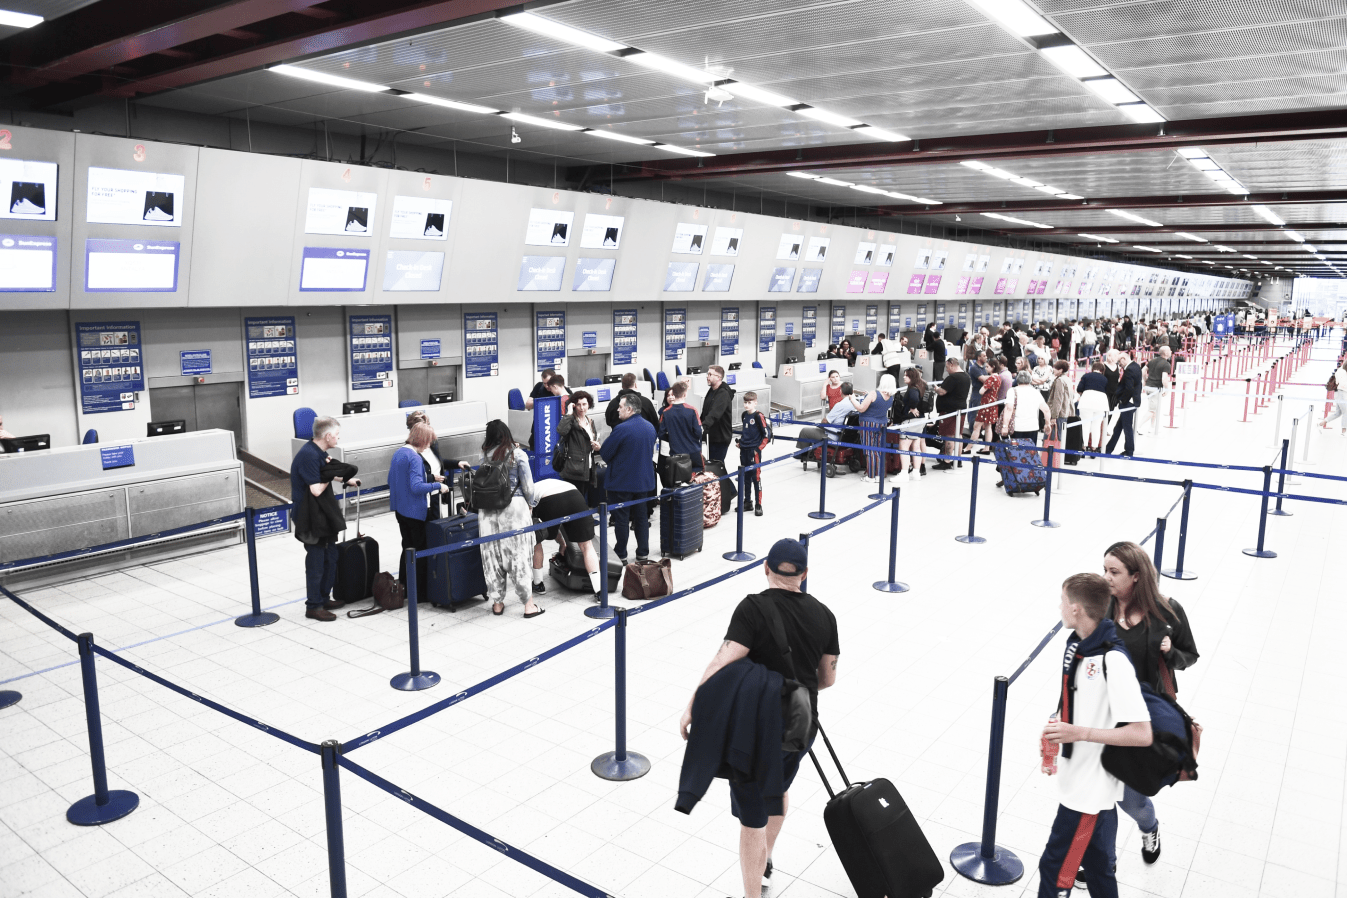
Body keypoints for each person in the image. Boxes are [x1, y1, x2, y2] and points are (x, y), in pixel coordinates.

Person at [678, 539, 839, 898]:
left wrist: (694, 705)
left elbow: (723, 661)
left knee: (751, 814)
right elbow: (827, 679)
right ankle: (766, 861)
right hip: (801, 725)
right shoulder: (825, 615)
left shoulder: (752, 608)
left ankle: (753, 894)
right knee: (778, 788)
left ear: (765, 568)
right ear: (804, 574)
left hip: (754, 730)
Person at [1039, 573, 1152, 898]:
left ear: (1075, 609)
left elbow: (1142, 734)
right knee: (1101, 870)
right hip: (1081, 784)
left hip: (1088, 793)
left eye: (1062, 601)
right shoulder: (1075, 644)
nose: (1059, 606)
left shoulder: (1113, 661)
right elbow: (1072, 699)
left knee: (1056, 870)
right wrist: (1055, 727)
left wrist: (1079, 733)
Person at [1099, 541, 1200, 871]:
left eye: (1114, 572)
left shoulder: (1167, 611)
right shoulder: (1102, 606)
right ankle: (1102, 862)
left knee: (1133, 799)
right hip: (1104, 712)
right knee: (1098, 799)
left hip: (1143, 719)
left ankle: (1149, 828)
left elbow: (1189, 656)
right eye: (1105, 570)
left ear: (1137, 576)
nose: (1107, 577)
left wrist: (1171, 652)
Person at [290, 416, 361, 622]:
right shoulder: (308, 456)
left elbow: (326, 472)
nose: (338, 439)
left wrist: (346, 479)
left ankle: (323, 597)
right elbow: (316, 489)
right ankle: (313, 606)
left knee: (331, 557)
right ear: (328, 435)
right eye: (337, 435)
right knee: (316, 563)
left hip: (323, 515)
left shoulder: (319, 452)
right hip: (311, 517)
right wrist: (331, 477)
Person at [389, 422, 468, 601]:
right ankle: (420, 592)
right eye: (429, 441)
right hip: (416, 511)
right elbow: (416, 487)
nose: (429, 445)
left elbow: (392, 480)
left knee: (407, 548)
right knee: (421, 550)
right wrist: (437, 485)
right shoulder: (415, 458)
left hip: (401, 510)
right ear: (423, 440)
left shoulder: (399, 452)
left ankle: (405, 587)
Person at [478, 421, 542, 618]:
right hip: (514, 509)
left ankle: (497, 603)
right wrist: (531, 503)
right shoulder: (518, 454)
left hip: (487, 512)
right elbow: (529, 487)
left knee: (492, 555)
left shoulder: (484, 456)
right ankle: (528, 605)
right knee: (518, 555)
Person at [599, 394, 658, 562]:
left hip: (622, 483)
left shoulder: (621, 429)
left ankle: (621, 554)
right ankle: (643, 553)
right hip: (643, 482)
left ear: (629, 409)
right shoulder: (650, 427)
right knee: (641, 518)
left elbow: (605, 453)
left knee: (622, 519)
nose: (617, 410)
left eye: (620, 407)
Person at [530, 477, 603, 597]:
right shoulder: (550, 482)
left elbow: (547, 527)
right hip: (575, 496)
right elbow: (557, 524)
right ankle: (599, 591)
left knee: (536, 541)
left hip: (547, 499)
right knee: (586, 545)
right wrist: (562, 543)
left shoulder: (528, 492)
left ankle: (538, 584)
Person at [556, 390, 601, 503]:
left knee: (582, 499)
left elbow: (591, 441)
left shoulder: (590, 421)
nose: (582, 408)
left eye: (584, 404)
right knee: (573, 502)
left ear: (589, 405)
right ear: (574, 405)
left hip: (587, 467)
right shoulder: (571, 420)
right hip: (573, 469)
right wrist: (569, 412)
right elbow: (561, 430)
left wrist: (596, 447)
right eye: (578, 404)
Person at [851, 374, 896, 482]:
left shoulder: (873, 393)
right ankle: (878, 475)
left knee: (869, 450)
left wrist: (852, 399)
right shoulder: (891, 397)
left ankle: (870, 476)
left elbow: (861, 408)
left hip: (868, 424)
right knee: (878, 450)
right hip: (882, 424)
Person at [932, 358, 970, 470]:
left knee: (949, 436)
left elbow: (942, 392)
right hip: (961, 410)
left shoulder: (953, 377)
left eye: (947, 367)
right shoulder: (966, 376)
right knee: (958, 434)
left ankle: (947, 461)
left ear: (952, 365)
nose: (947, 370)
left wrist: (936, 389)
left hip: (950, 412)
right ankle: (958, 460)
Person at [737, 392, 771, 515]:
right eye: (745, 402)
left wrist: (758, 449)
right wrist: (740, 443)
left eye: (749, 402)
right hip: (744, 451)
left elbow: (766, 435)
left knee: (755, 478)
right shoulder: (744, 415)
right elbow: (746, 433)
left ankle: (758, 504)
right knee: (745, 477)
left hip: (754, 452)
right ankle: (747, 502)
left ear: (755, 402)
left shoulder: (758, 416)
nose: (747, 405)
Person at [660, 380, 704, 470]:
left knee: (677, 480)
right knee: (697, 479)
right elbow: (698, 432)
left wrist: (673, 439)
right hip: (693, 452)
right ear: (685, 394)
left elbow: (661, 434)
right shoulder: (692, 410)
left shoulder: (665, 412)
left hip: (675, 454)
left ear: (673, 394)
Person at [1105, 353, 1143, 457]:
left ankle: (1129, 451)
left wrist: (1122, 401)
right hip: (1133, 402)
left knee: (1127, 428)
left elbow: (1129, 388)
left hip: (1128, 404)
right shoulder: (1136, 366)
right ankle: (1108, 449)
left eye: (1119, 362)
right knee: (1118, 428)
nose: (1119, 364)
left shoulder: (1130, 369)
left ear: (1124, 358)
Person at [896, 367, 928, 480]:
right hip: (920, 421)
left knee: (903, 447)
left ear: (912, 377)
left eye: (906, 375)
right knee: (916, 447)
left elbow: (914, 399)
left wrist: (913, 407)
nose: (904, 377)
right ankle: (916, 473)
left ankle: (904, 473)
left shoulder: (913, 389)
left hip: (910, 421)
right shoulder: (922, 385)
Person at [1001, 371, 1050, 443]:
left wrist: (1005, 426)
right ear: (1030, 380)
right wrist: (1047, 424)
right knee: (1029, 452)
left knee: (1016, 452)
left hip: (1017, 427)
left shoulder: (1012, 391)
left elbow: (1009, 409)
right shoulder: (1035, 392)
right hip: (1032, 427)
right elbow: (1046, 410)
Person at [701, 366, 735, 463]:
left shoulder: (723, 393)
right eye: (708, 374)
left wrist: (703, 426)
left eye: (710, 374)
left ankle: (723, 478)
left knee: (717, 466)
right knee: (713, 465)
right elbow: (706, 411)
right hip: (712, 436)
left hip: (721, 438)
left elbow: (714, 413)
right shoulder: (712, 390)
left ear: (719, 377)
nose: (708, 377)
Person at [1077, 362, 1112, 452]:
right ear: (1102, 370)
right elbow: (1108, 391)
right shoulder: (1105, 379)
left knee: (1085, 425)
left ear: (1093, 368)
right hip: (1101, 402)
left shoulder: (1086, 376)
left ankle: (1084, 446)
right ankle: (1094, 447)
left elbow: (1079, 388)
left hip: (1086, 401)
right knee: (1096, 426)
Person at [970, 355, 1001, 451]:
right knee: (988, 427)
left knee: (976, 426)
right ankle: (987, 448)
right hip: (993, 404)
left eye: (987, 366)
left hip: (985, 404)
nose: (985, 368)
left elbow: (981, 391)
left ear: (993, 367)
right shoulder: (998, 377)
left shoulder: (991, 379)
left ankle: (968, 447)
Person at [1139, 345, 1172, 434]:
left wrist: (1145, 380)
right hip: (1155, 388)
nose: (1171, 351)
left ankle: (1152, 427)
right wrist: (1167, 388)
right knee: (1152, 410)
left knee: (1154, 408)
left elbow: (1143, 370)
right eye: (1169, 350)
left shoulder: (1152, 361)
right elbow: (1164, 378)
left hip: (1148, 386)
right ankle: (1138, 426)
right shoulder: (1166, 364)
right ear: (1166, 353)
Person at [1046, 359, 1077, 445]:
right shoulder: (1067, 379)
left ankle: (1054, 457)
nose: (1053, 370)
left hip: (1059, 414)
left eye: (1055, 368)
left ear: (1061, 370)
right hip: (1066, 412)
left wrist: (1054, 416)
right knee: (1062, 438)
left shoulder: (1059, 380)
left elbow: (1057, 399)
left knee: (1055, 438)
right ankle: (1059, 457)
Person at [1320, 357, 1347, 434]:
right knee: (1346, 412)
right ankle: (1344, 431)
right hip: (1341, 393)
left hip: (1339, 393)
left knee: (1338, 413)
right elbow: (1342, 384)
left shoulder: (1341, 371)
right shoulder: (1343, 373)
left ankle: (1323, 422)